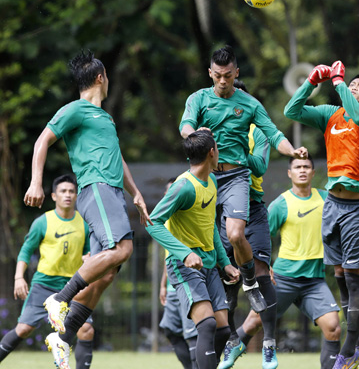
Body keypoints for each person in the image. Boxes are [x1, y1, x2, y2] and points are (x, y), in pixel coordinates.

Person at [23, 50, 152, 369]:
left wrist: (135, 193)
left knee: (105, 274)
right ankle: (59, 299)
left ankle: (62, 338)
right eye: (107, 77)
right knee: (122, 249)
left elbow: (117, 159)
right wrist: (36, 182)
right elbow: (43, 141)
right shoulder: (76, 110)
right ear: (101, 77)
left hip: (112, 192)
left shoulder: (105, 118)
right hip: (96, 188)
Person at [220, 156, 359, 369]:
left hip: (314, 281)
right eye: (297, 167)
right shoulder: (281, 204)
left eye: (306, 167)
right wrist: (264, 268)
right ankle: (222, 356)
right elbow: (260, 238)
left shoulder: (328, 199)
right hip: (283, 279)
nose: (302, 170)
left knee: (333, 327)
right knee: (253, 323)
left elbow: (350, 224)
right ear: (289, 173)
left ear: (313, 173)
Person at [179, 46, 307, 317]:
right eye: (217, 76)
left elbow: (273, 134)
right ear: (210, 74)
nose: (222, 81)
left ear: (236, 73)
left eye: (227, 75)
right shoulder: (198, 98)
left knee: (236, 234)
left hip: (237, 177)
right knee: (206, 248)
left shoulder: (249, 104)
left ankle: (249, 282)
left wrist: (292, 150)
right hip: (208, 178)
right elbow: (185, 126)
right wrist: (196, 136)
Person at [284, 61, 359, 368]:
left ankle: (349, 351)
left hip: (356, 208)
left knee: (355, 279)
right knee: (339, 275)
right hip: (333, 205)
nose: (354, 86)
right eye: (352, 83)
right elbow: (292, 111)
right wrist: (312, 81)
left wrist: (339, 82)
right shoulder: (330, 114)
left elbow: (355, 113)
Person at [146, 129, 240, 369]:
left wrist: (225, 262)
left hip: (209, 264)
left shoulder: (212, 181)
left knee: (222, 330)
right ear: (212, 152)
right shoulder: (183, 187)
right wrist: (185, 253)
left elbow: (209, 227)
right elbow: (152, 223)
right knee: (207, 325)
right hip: (183, 266)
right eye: (217, 148)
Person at [0, 175, 94, 369]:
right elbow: (26, 251)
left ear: (76, 196)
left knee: (86, 330)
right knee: (24, 329)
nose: (68, 195)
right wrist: (19, 277)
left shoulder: (84, 224)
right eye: (63, 191)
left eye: (71, 191)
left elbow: (89, 253)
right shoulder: (42, 222)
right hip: (44, 284)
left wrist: (89, 257)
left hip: (73, 286)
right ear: (53, 196)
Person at [217, 79, 279, 368]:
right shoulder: (213, 123)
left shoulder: (259, 128)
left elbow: (261, 165)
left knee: (261, 272)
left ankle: (269, 345)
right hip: (219, 208)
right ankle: (231, 342)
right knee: (227, 284)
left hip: (252, 208)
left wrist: (234, 154)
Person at [158, 178, 199, 369]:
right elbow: (169, 256)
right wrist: (162, 285)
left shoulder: (186, 219)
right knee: (169, 328)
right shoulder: (165, 222)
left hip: (187, 282)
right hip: (171, 285)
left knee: (192, 334)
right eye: (168, 193)